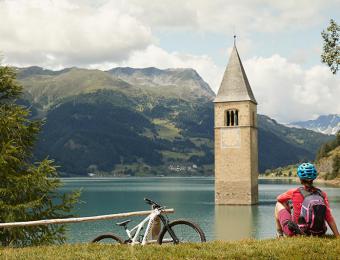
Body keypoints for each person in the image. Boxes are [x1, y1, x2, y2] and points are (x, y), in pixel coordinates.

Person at [274, 162, 339, 238]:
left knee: (278, 204)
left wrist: (289, 206)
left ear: (300, 178)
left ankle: (280, 234)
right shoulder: (322, 194)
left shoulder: (294, 192)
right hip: (318, 233)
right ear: (314, 178)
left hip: (296, 233)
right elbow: (329, 218)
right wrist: (337, 235)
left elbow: (279, 198)